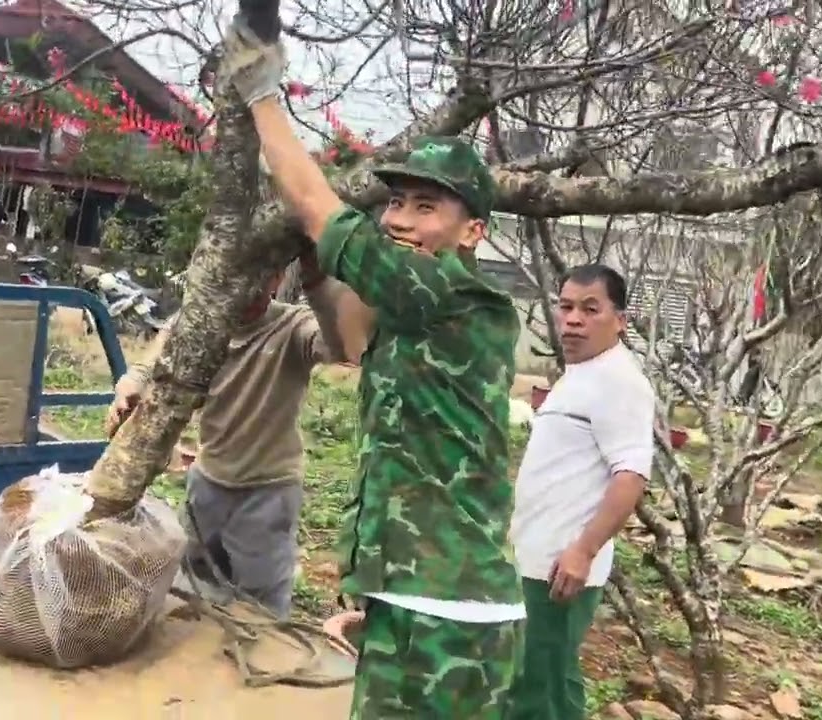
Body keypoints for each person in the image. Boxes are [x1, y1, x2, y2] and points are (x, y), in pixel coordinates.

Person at [219, 19, 525, 719]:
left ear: (474, 231)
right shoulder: (415, 311)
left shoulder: (448, 292)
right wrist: (376, 598)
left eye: (427, 206)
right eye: (395, 202)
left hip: (448, 615)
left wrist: (261, 92)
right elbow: (352, 341)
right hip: (419, 601)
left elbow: (315, 206)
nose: (400, 220)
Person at [105, 252, 353, 619]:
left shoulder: (293, 327)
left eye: (259, 278)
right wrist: (131, 385)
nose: (244, 290)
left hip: (266, 493)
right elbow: (155, 357)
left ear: (276, 279)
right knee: (192, 588)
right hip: (207, 483)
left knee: (261, 610)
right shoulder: (203, 323)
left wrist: (318, 280)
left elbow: (342, 346)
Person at [507, 264, 654, 720]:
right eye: (566, 306)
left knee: (540, 691)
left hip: (560, 568)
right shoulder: (581, 375)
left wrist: (583, 551)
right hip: (535, 559)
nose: (573, 319)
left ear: (620, 320)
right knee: (540, 680)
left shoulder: (620, 382)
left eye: (591, 309)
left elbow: (631, 476)